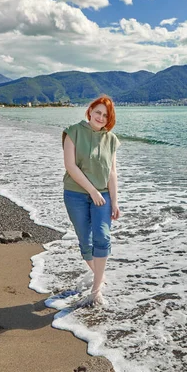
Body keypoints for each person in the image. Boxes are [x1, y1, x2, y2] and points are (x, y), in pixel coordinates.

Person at [62, 95, 120, 307]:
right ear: (90, 111)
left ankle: (96, 291)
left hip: (103, 196)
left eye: (106, 115)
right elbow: (70, 166)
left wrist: (114, 201)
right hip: (75, 194)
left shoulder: (111, 140)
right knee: (85, 242)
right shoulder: (73, 132)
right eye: (98, 112)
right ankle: (99, 276)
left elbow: (112, 173)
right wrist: (92, 191)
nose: (101, 117)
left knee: (102, 238)